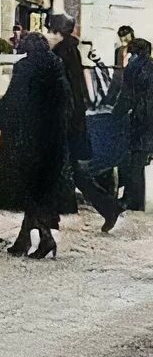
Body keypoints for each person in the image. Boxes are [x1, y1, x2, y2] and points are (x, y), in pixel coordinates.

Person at [0, 32, 71, 257]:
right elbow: (66, 100)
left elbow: (13, 101)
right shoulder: (57, 66)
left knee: (28, 190)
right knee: (38, 191)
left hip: (27, 140)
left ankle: (45, 239)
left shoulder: (25, 67)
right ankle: (24, 241)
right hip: (51, 141)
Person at [47, 13, 123, 233]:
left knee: (55, 170)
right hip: (71, 121)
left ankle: (49, 219)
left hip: (64, 123)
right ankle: (108, 208)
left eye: (51, 31)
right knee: (73, 172)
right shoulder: (69, 51)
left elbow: (65, 92)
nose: (48, 35)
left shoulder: (62, 54)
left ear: (58, 32)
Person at [114, 37, 153, 212]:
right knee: (139, 158)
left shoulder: (134, 67)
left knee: (135, 160)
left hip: (141, 117)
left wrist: (116, 113)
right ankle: (136, 200)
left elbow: (126, 96)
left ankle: (133, 201)